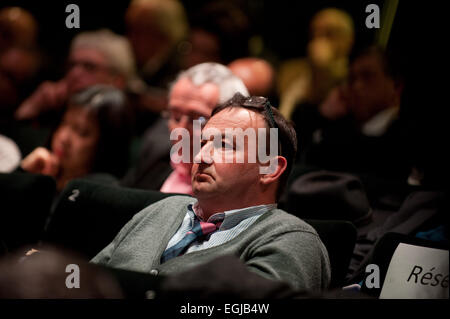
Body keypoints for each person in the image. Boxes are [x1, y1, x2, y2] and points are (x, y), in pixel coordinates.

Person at [92, 93, 331, 292]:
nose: (200, 157)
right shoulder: (160, 209)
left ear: (269, 168)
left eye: (224, 146)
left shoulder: (291, 238)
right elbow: (85, 283)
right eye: (203, 143)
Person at [121, 62, 248, 194]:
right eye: (176, 116)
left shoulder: (238, 187)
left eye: (199, 119)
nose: (180, 132)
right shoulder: (157, 153)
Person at [20, 85, 132, 191]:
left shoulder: (103, 193)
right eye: (63, 123)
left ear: (108, 144)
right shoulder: (42, 168)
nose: (63, 138)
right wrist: (23, 172)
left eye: (81, 132)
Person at [14, 29, 136, 121]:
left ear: (118, 81)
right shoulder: (51, 117)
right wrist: (30, 108)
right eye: (71, 65)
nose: (74, 73)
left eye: (89, 67)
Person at [277, 8, 354, 120]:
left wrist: (326, 69)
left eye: (329, 34)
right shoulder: (291, 70)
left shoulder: (356, 77)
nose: (318, 41)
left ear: (348, 40)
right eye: (315, 33)